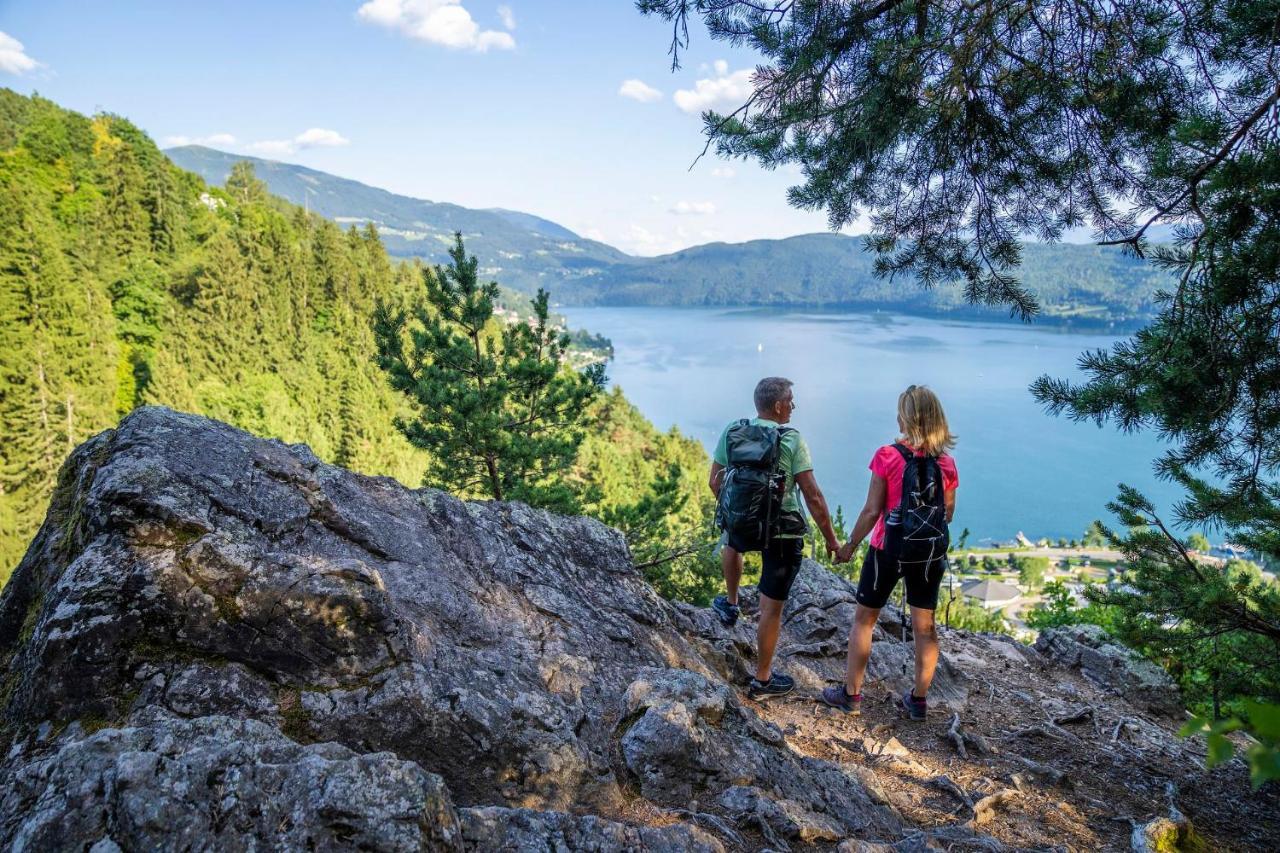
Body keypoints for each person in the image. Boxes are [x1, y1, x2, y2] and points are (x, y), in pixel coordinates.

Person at [821, 385, 958, 720]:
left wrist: (849, 546)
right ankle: (918, 701)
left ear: (908, 417)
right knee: (925, 628)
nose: (896, 417)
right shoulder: (946, 463)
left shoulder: (887, 456)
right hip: (928, 553)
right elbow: (948, 514)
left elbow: (871, 511)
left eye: (900, 411)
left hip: (888, 549)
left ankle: (851, 695)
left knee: (864, 621)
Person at [709, 377, 841, 699]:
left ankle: (731, 603)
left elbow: (715, 481)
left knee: (731, 539)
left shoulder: (733, 430)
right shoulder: (792, 440)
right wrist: (832, 540)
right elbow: (812, 495)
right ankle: (763, 680)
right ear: (779, 405)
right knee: (771, 608)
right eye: (791, 400)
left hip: (743, 523)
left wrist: (737, 513)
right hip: (782, 530)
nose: (794, 406)